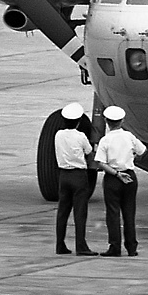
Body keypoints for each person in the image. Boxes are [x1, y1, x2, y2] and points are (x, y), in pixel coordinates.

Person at [93, 105, 146, 257]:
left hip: (113, 178)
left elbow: (101, 162)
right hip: (129, 176)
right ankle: (131, 247)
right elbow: (142, 151)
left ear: (106, 121)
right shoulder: (129, 136)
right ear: (122, 121)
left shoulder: (105, 140)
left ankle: (114, 247)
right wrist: (131, 159)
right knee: (129, 213)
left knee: (113, 213)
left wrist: (116, 174)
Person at [53, 103, 97, 256]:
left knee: (62, 211)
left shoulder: (58, 135)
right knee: (80, 212)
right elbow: (89, 151)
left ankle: (60, 244)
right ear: (78, 122)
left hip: (63, 175)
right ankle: (81, 246)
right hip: (78, 176)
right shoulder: (80, 136)